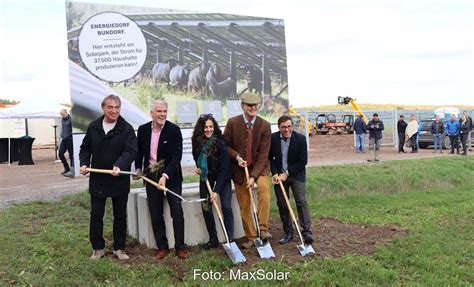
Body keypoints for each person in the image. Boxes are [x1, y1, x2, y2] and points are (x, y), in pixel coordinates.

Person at [79, 95, 138, 260]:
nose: (114, 111)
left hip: (118, 178)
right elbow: (85, 148)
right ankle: (97, 248)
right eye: (110, 107)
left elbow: (131, 151)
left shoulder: (126, 129)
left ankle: (119, 248)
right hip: (98, 178)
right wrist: (84, 163)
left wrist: (120, 164)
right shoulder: (94, 126)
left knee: (120, 215)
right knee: (96, 215)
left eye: (117, 107)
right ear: (103, 108)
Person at [135, 100, 189, 260]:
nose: (163, 114)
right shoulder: (143, 130)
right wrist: (138, 169)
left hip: (171, 176)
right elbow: (139, 153)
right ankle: (162, 247)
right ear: (151, 113)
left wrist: (165, 176)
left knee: (177, 211)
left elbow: (176, 157)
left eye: (165, 111)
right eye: (159, 111)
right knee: (156, 212)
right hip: (151, 176)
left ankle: (180, 247)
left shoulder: (174, 130)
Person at [223, 92, 272, 249]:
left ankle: (263, 229)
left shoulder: (264, 126)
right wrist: (236, 156)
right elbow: (225, 145)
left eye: (255, 105)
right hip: (239, 169)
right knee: (244, 203)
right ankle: (251, 236)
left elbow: (264, 154)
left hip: (259, 167)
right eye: (250, 105)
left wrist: (253, 176)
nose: (253, 108)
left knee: (264, 192)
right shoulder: (232, 123)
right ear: (243, 106)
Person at [191, 113, 234, 250]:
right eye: (205, 127)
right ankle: (213, 239)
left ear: (214, 127)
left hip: (223, 176)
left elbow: (224, 168)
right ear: (201, 128)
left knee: (226, 206)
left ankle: (230, 239)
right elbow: (196, 158)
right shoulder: (197, 142)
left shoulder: (220, 142)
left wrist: (216, 190)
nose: (208, 129)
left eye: (210, 126)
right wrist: (199, 169)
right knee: (206, 207)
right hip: (206, 177)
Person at [268, 115, 313, 245]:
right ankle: (288, 232)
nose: (286, 130)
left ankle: (307, 232)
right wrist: (275, 173)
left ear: (292, 126)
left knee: (301, 201)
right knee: (282, 204)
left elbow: (303, 161)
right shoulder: (274, 138)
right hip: (279, 176)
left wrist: (286, 173)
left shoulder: (300, 139)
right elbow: (271, 158)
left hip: (296, 175)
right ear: (279, 127)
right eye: (283, 127)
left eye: (289, 126)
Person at [59, 109, 74, 177]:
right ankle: (66, 168)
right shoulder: (62, 119)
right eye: (61, 114)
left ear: (66, 113)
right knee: (60, 154)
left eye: (63, 114)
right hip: (64, 140)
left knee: (71, 155)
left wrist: (68, 135)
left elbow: (73, 130)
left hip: (70, 140)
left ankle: (71, 170)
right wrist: (62, 134)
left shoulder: (71, 120)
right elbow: (63, 129)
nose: (62, 116)